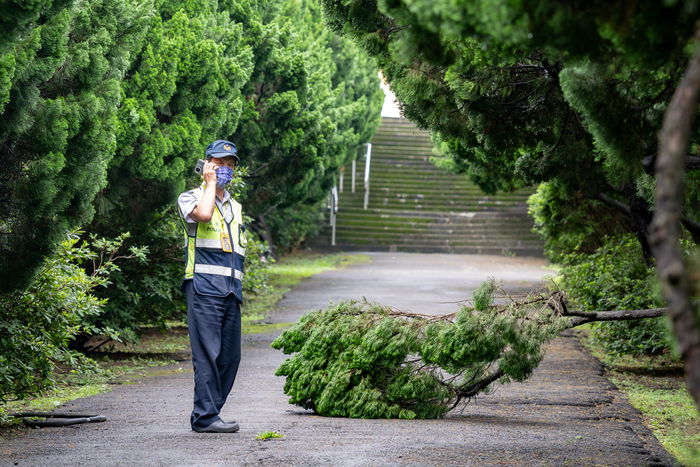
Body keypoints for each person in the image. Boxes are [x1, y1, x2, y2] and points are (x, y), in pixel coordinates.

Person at [177, 140, 247, 433]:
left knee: (231, 356)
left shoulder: (236, 206)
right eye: (219, 164)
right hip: (203, 287)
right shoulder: (190, 197)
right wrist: (208, 185)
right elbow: (203, 216)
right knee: (207, 354)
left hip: (231, 291)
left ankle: (208, 413)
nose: (225, 169)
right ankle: (206, 417)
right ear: (207, 165)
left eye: (230, 165)